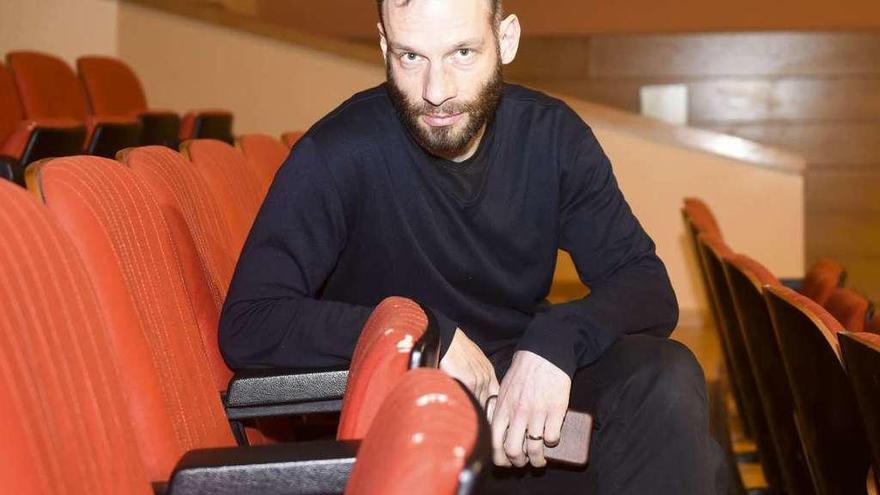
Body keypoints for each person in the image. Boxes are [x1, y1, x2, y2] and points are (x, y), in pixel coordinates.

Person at [220, 0, 726, 492]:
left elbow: (645, 284)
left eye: (462, 53)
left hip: (521, 409)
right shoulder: (336, 154)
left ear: (505, 40)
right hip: (413, 430)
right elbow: (251, 321)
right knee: (704, 462)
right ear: (384, 46)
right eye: (410, 56)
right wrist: (423, 336)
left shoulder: (552, 137)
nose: (435, 91)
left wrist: (556, 341)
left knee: (667, 378)